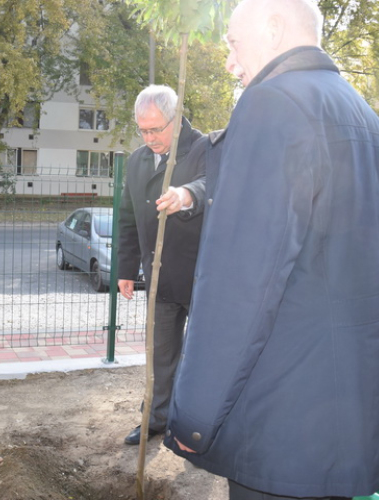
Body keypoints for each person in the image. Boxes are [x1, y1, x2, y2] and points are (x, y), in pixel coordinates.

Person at [164, 0, 379, 499]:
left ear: (274, 29)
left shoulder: (272, 104)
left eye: (233, 44)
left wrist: (192, 417)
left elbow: (239, 285)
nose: (230, 63)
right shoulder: (371, 123)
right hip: (351, 422)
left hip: (284, 423)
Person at [117, 84, 205, 445]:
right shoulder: (137, 161)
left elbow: (216, 184)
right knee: (160, 357)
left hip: (205, 278)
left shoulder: (204, 149)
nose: (149, 137)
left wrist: (188, 195)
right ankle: (155, 420)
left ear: (176, 119)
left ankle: (196, 432)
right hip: (160, 278)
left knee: (202, 360)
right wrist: (125, 269)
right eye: (143, 129)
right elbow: (126, 217)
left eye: (156, 129)